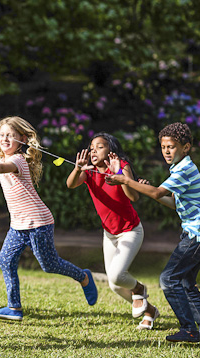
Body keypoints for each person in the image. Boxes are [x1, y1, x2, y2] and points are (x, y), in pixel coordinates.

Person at [0, 116, 97, 321]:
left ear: (22, 139)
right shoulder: (1, 160)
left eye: (10, 136)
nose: (4, 139)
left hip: (38, 222)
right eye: (1, 135)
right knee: (5, 259)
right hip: (19, 225)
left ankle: (83, 277)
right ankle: (14, 308)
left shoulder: (17, 160)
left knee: (49, 264)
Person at [106, 122, 200, 343]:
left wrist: (125, 180)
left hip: (198, 232)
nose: (167, 151)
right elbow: (172, 202)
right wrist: (147, 189)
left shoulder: (185, 168)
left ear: (186, 147)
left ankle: (189, 329)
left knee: (169, 279)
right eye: (163, 147)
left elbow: (159, 193)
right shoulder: (179, 168)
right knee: (186, 282)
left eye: (172, 147)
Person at [66, 132, 160, 330]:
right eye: (91, 148)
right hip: (109, 234)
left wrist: (119, 176)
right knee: (115, 284)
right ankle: (149, 309)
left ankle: (139, 289)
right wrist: (77, 169)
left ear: (111, 150)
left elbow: (133, 197)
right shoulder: (89, 171)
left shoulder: (121, 167)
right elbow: (71, 184)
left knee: (117, 275)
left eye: (99, 147)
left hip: (130, 231)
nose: (94, 151)